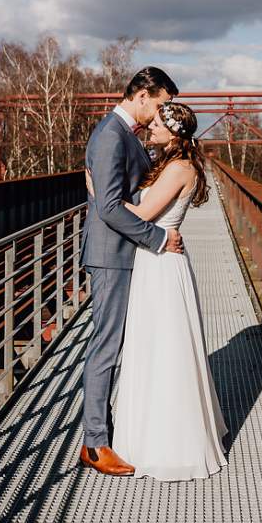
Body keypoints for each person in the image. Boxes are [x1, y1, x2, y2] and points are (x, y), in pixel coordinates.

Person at [109, 100, 228, 481]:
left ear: (175, 132)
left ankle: (166, 445)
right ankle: (144, 437)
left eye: (158, 123)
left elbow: (142, 215)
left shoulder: (179, 168)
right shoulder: (171, 163)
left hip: (161, 266)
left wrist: (101, 195)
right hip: (156, 260)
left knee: (164, 350)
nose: (151, 127)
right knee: (152, 347)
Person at [79, 67, 184, 477]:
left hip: (124, 252)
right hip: (112, 254)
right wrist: (157, 238)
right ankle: (94, 444)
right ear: (142, 94)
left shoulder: (122, 135)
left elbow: (122, 194)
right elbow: (108, 207)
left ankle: (102, 434)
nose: (161, 113)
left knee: (114, 343)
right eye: (160, 104)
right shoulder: (111, 135)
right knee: (106, 346)